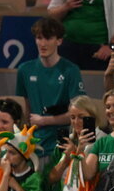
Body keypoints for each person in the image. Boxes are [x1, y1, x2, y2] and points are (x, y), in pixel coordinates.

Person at [15, 17, 85, 157]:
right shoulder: (25, 70)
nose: (43, 43)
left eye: (48, 38)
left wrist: (44, 120)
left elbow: (77, 114)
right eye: (39, 38)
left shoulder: (71, 71)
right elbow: (27, 110)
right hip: (34, 143)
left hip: (62, 141)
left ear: (59, 41)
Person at [45, 96, 105, 191]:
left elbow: (91, 176)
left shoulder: (103, 140)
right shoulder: (65, 142)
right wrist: (66, 157)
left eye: (81, 117)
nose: (76, 122)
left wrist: (78, 152)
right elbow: (51, 179)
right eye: (72, 117)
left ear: (92, 117)